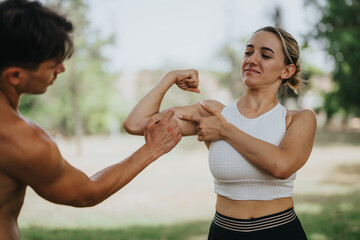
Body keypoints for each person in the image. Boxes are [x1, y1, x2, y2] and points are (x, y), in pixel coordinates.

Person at [0, 1, 182, 239]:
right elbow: (86, 193)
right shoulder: (21, 140)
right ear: (15, 75)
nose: (61, 70)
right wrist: (151, 149)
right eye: (53, 65)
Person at [123, 26, 317, 239]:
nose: (252, 59)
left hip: (280, 232)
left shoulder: (298, 118)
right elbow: (136, 123)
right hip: (223, 233)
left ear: (287, 71)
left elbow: (281, 166)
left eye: (265, 55)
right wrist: (170, 77)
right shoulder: (211, 112)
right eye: (248, 52)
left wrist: (226, 131)